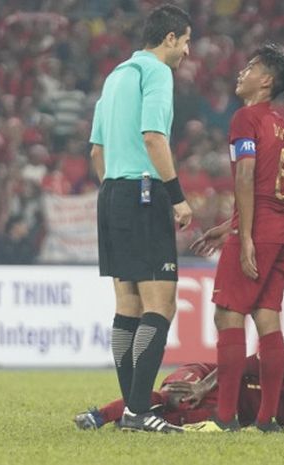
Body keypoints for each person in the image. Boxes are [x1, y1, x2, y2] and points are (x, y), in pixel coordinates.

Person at [89, 4, 193, 433]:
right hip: (144, 192)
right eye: (185, 41)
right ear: (169, 38)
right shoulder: (157, 73)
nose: (187, 50)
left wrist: (118, 191)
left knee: (127, 305)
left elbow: (96, 151)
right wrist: (177, 198)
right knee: (161, 304)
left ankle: (133, 409)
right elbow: (153, 136)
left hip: (111, 190)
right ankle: (136, 410)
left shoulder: (115, 76)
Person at [189, 43, 284, 432]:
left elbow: (246, 175)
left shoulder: (245, 117)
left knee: (228, 314)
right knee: (267, 316)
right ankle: (267, 419)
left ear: (266, 80)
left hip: (261, 230)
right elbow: (270, 180)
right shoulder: (281, 122)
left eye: (251, 67)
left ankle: (224, 419)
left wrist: (246, 236)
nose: (242, 72)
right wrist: (232, 225)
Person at [74, 350, 284, 431]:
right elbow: (234, 363)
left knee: (210, 421)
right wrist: (202, 385)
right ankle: (99, 416)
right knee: (175, 397)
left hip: (217, 405)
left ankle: (136, 420)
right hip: (204, 375)